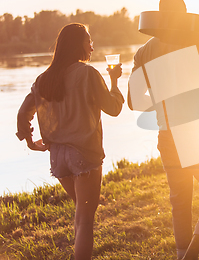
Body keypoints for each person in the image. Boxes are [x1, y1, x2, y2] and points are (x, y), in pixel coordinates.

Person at [128, 0, 199, 260]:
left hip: (167, 134)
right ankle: (192, 253)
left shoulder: (143, 52)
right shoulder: (198, 42)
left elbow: (133, 101)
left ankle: (181, 256)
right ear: (185, 15)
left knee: (180, 200)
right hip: (197, 131)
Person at [16, 23, 124, 260]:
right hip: (83, 155)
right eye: (89, 41)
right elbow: (114, 108)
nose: (92, 47)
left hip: (58, 158)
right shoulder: (88, 74)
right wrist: (115, 82)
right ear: (78, 45)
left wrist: (29, 140)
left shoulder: (44, 79)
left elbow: (24, 111)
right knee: (85, 221)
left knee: (80, 215)